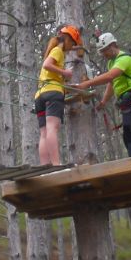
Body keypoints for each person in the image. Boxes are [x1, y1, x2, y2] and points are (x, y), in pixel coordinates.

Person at [74, 32, 131, 157]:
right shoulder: (111, 63)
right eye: (101, 52)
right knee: (128, 133)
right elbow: (112, 82)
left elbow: (110, 76)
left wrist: (86, 84)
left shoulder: (124, 59)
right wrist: (103, 101)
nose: (104, 54)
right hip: (127, 100)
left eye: (105, 51)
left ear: (113, 45)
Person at [34, 25, 82, 165]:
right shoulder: (58, 51)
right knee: (52, 129)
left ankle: (45, 166)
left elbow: (48, 69)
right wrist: (65, 73)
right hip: (53, 93)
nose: (72, 47)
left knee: (44, 132)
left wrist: (63, 78)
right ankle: (56, 164)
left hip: (40, 95)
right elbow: (47, 65)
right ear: (67, 39)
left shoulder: (53, 51)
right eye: (72, 43)